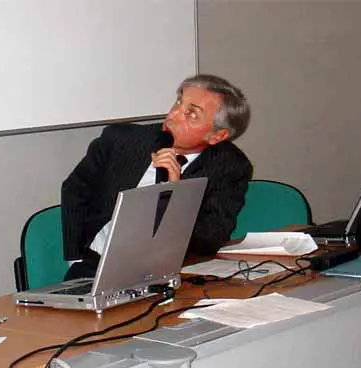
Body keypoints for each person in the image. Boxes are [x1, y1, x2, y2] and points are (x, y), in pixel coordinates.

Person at [61, 74, 253, 280]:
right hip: (97, 265)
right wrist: (76, 258)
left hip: (174, 271)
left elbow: (211, 238)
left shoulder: (229, 167)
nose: (174, 114)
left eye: (191, 114)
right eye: (178, 102)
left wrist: (176, 192)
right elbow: (75, 189)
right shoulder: (121, 141)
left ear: (217, 136)